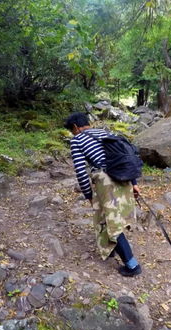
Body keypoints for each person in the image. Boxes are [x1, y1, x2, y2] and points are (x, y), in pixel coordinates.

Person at [64, 112, 142, 277]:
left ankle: (132, 266)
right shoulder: (105, 133)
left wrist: (88, 195)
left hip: (106, 181)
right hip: (124, 177)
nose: (73, 134)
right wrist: (134, 183)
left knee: (111, 222)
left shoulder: (77, 140)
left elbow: (80, 171)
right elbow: (125, 155)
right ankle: (111, 248)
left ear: (76, 127)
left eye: (72, 131)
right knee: (114, 218)